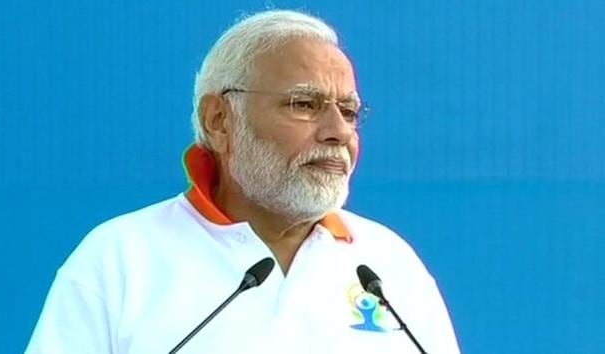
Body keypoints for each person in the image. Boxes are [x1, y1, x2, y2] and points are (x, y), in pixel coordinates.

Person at [26, 9, 460, 354]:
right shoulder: (120, 259)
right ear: (220, 120)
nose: (338, 132)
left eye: (348, 112)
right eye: (304, 104)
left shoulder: (388, 266)